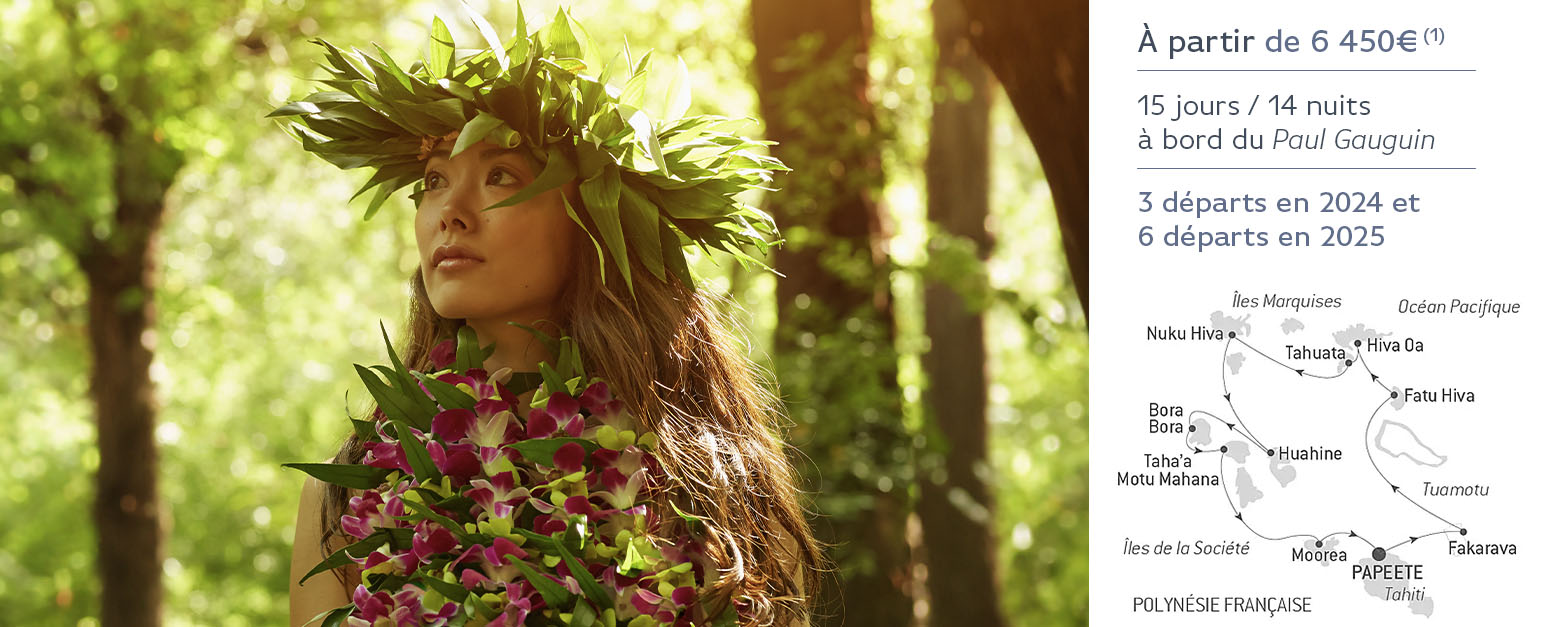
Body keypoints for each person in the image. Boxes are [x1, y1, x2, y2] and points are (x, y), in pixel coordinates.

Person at [277, 7, 822, 627]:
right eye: (433, 180)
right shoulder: (348, 494)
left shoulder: (706, 481)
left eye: (500, 176)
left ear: (595, 222)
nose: (449, 212)